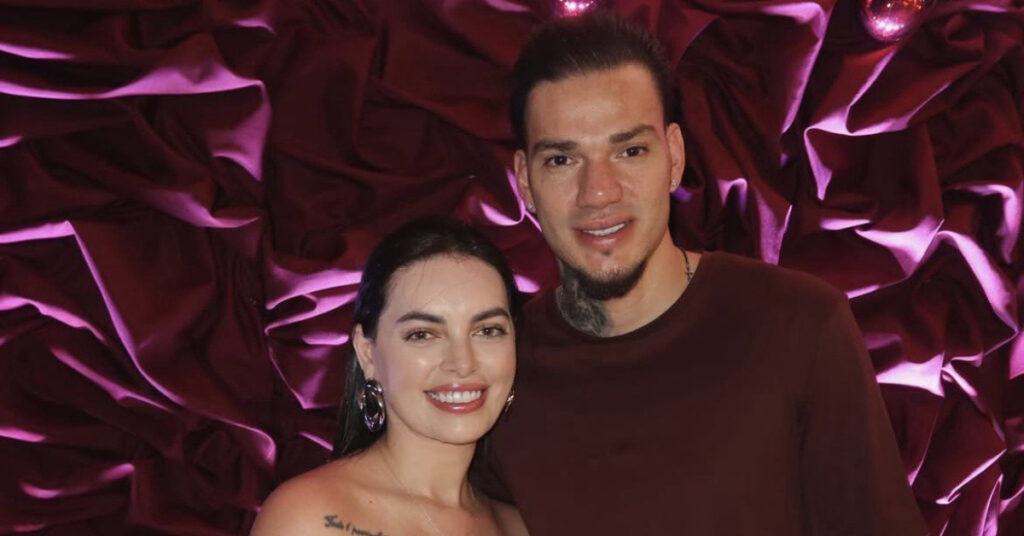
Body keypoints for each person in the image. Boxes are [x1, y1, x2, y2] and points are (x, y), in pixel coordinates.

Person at [474, 11, 929, 535]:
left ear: (673, 157)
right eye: (562, 160)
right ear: (524, 182)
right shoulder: (493, 367)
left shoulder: (800, 325)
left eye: (630, 151)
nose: (598, 191)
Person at [252, 217, 528, 536]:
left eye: (488, 330)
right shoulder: (309, 518)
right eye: (423, 334)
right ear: (367, 353)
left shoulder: (520, 525)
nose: (463, 363)